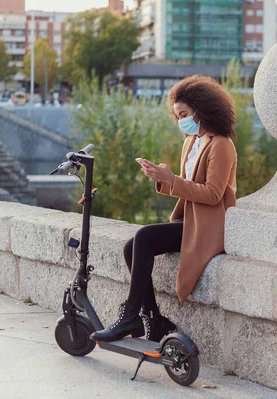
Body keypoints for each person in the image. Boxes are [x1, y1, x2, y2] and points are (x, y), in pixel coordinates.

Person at [91, 75, 238, 342]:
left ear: (202, 110)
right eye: (177, 115)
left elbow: (214, 194)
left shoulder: (222, 144)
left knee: (145, 237)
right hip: (191, 221)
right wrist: (163, 179)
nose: (181, 120)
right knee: (131, 246)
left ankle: (131, 317)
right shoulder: (191, 142)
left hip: (210, 227)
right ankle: (152, 319)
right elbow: (187, 188)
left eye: (184, 114)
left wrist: (172, 180)